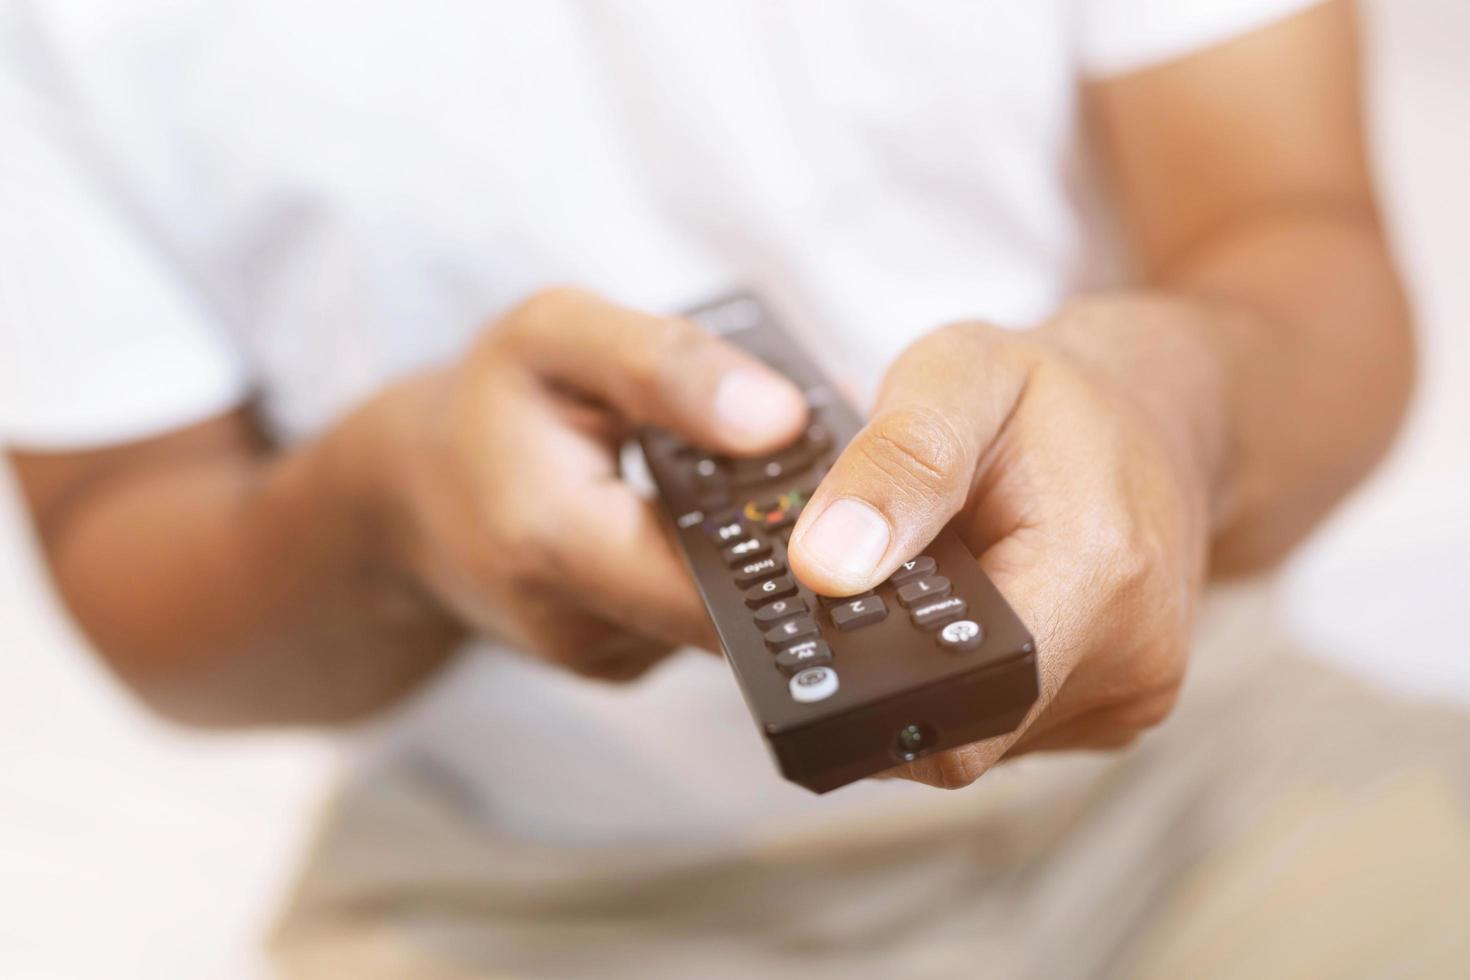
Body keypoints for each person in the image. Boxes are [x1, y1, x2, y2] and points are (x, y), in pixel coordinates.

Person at [4, 0, 1469, 976]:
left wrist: (1182, 409)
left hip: (1201, 774)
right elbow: (128, 545)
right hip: (528, 889)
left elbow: (1296, 230)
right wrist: (388, 508)